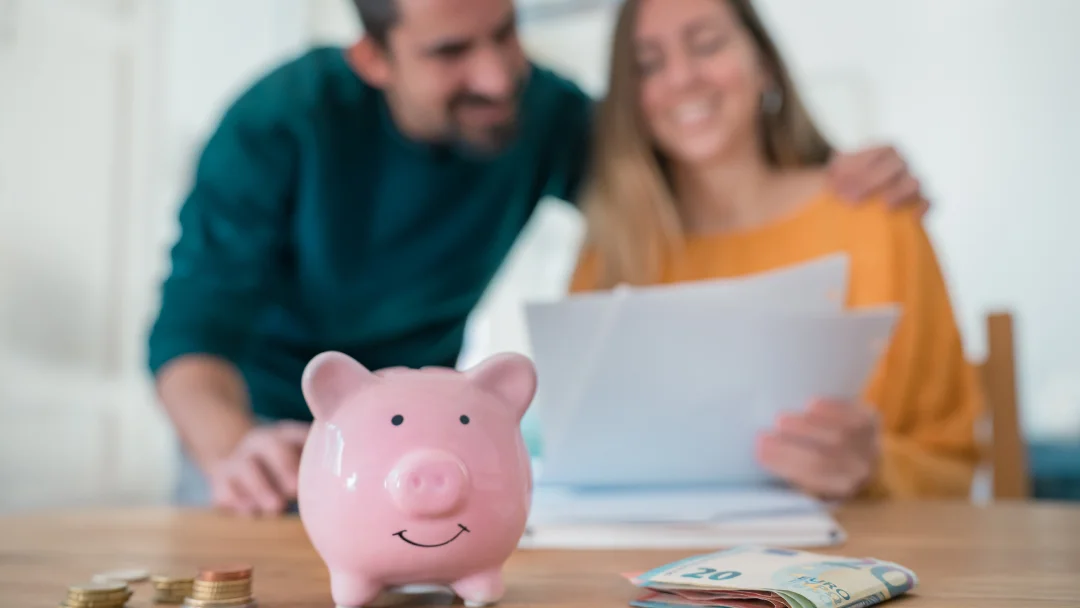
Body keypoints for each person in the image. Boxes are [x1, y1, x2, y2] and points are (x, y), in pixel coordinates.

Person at [149, 0, 932, 517]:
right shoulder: (279, 124)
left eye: (504, 32)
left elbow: (691, 158)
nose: (496, 75)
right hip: (265, 432)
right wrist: (233, 446)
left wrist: (845, 169)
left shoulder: (543, 113)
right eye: (452, 52)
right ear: (374, 60)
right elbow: (188, 336)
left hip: (422, 427)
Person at [568, 0, 983, 500]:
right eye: (648, 65)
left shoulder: (878, 221)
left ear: (764, 64)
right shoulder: (610, 259)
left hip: (858, 559)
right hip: (658, 562)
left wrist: (875, 469)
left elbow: (952, 461)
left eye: (707, 44)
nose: (681, 78)